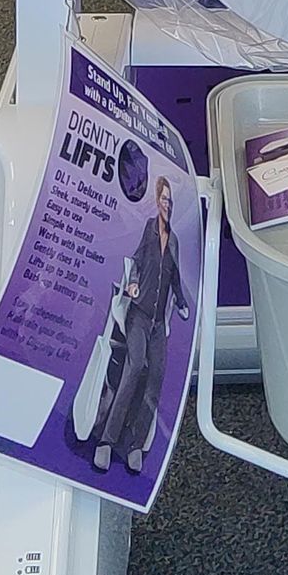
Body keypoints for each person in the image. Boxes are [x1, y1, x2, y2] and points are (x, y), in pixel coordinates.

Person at [91, 176, 190, 477]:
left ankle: (135, 445)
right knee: (134, 368)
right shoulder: (149, 230)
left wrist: (182, 303)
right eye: (163, 199)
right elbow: (135, 260)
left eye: (170, 201)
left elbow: (174, 276)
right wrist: (133, 284)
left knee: (156, 375)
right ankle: (107, 441)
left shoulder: (173, 240)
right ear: (156, 201)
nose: (167, 204)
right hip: (139, 314)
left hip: (159, 321)